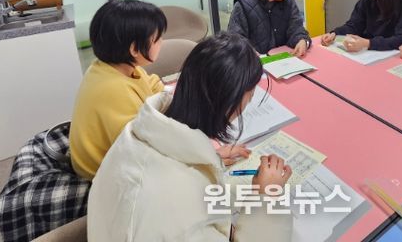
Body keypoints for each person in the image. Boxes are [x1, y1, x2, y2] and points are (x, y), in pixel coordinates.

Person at [88, 32, 293, 241]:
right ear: (232, 100)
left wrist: (206, 159)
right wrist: (267, 196)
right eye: (252, 92)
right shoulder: (181, 208)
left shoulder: (135, 133)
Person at [69, 0, 249, 180]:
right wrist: (208, 157)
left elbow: (153, 84)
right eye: (157, 38)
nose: (162, 42)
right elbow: (145, 151)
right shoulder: (113, 91)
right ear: (134, 49)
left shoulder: (117, 68)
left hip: (121, 158)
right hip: (103, 177)